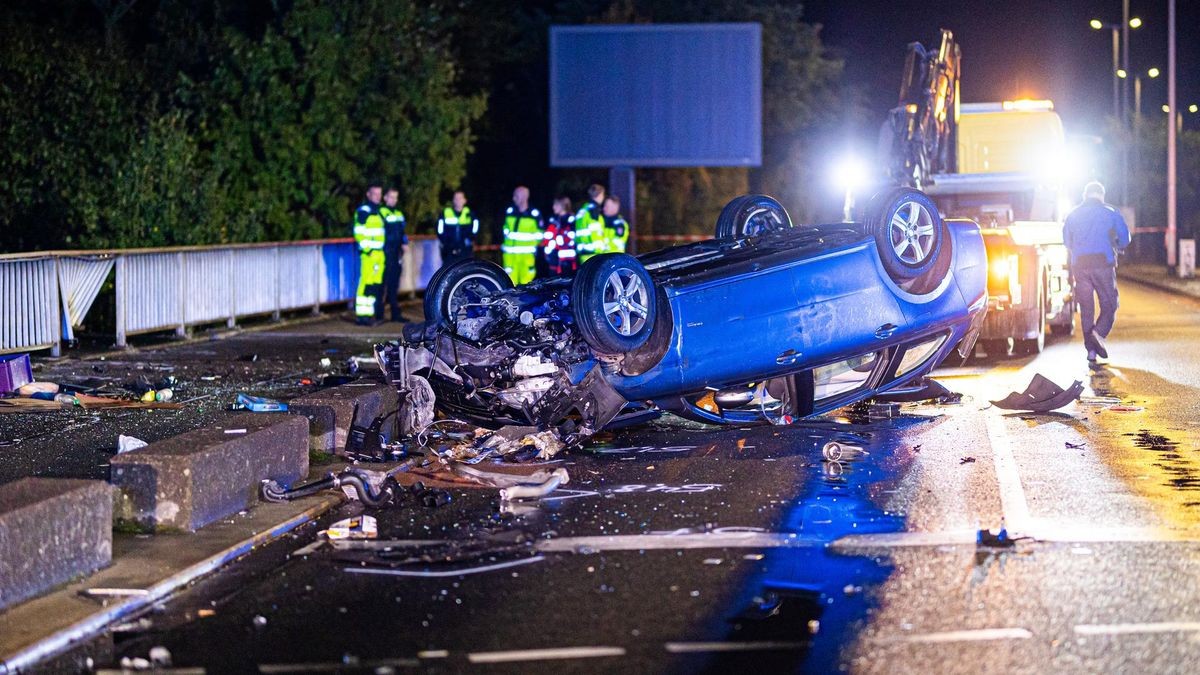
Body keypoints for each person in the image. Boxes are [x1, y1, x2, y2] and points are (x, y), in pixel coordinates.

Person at [1063, 180, 1131, 363]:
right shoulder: (1110, 212)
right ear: (1101, 195)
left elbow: (1067, 241)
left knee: (1087, 310)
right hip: (1103, 265)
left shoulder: (1073, 214)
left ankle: (1091, 351)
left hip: (1080, 267)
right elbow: (1125, 238)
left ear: (1086, 195)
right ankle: (1099, 333)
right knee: (1109, 304)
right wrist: (1117, 246)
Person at [352, 183, 387, 325]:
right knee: (365, 284)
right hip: (369, 254)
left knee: (373, 285)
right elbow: (359, 233)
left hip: (379, 254)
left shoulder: (378, 211)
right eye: (375, 194)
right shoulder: (363, 211)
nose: (378, 197)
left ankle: (368, 315)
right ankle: (362, 316)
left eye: (379, 194)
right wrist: (368, 250)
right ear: (368, 194)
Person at [501, 186, 543, 284]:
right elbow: (504, 229)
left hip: (527, 257)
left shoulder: (534, 214)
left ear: (524, 197)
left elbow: (540, 235)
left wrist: (529, 241)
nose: (513, 198)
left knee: (527, 286)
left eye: (516, 196)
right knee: (508, 285)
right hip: (510, 258)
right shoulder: (510, 211)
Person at [380, 187, 409, 322]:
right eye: (391, 197)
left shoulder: (398, 213)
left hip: (397, 253)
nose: (393, 200)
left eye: (395, 197)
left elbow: (403, 232)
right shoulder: (381, 212)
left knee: (394, 284)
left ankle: (395, 314)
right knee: (382, 284)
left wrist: (404, 243)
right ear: (385, 198)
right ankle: (379, 314)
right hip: (385, 253)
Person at [437, 190, 478, 267]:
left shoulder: (469, 213)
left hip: (465, 249)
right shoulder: (446, 213)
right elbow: (440, 229)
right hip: (449, 250)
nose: (458, 200)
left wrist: (471, 238)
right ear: (453, 200)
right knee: (447, 271)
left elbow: (475, 226)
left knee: (466, 269)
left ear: (464, 200)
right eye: (456, 198)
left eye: (460, 198)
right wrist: (444, 241)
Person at [544, 195, 577, 275]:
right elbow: (547, 237)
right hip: (553, 259)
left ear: (562, 205)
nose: (553, 207)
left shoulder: (572, 220)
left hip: (568, 261)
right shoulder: (553, 220)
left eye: (556, 204)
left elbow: (571, 238)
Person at [574, 183, 606, 264]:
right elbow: (595, 232)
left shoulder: (583, 209)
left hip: (583, 252)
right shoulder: (594, 210)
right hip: (593, 253)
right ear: (600, 195)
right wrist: (601, 249)